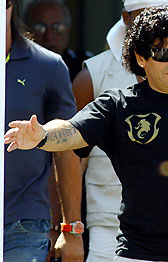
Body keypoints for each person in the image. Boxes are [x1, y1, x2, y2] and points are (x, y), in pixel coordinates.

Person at [5, 5, 168, 262]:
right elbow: (71, 129)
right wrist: (41, 136)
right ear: (141, 58)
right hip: (138, 253)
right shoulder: (118, 106)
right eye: (164, 53)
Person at [72, 0, 168, 261]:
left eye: (162, 15)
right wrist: (68, 227)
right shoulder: (92, 73)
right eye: (145, 16)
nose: (155, 25)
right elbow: (72, 155)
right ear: (126, 17)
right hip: (108, 222)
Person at [5, 0, 83, 261]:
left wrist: (70, 230)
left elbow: (67, 148)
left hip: (23, 224)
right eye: (42, 25)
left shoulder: (48, 66)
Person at [23, 0, 93, 82]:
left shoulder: (85, 65)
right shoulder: (16, 65)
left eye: (56, 27)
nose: (49, 36)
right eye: (40, 28)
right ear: (26, 30)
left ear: (68, 29)